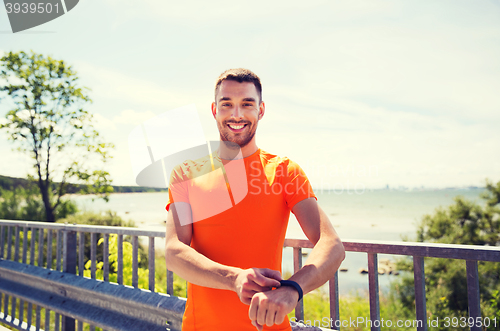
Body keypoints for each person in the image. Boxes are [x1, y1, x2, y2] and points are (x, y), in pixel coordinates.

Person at [165, 68, 345, 331]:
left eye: (247, 104)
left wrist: (293, 289)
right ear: (215, 110)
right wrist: (234, 278)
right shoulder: (185, 174)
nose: (236, 114)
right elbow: (174, 252)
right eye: (227, 104)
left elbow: (332, 245)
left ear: (261, 110)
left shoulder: (284, 171)